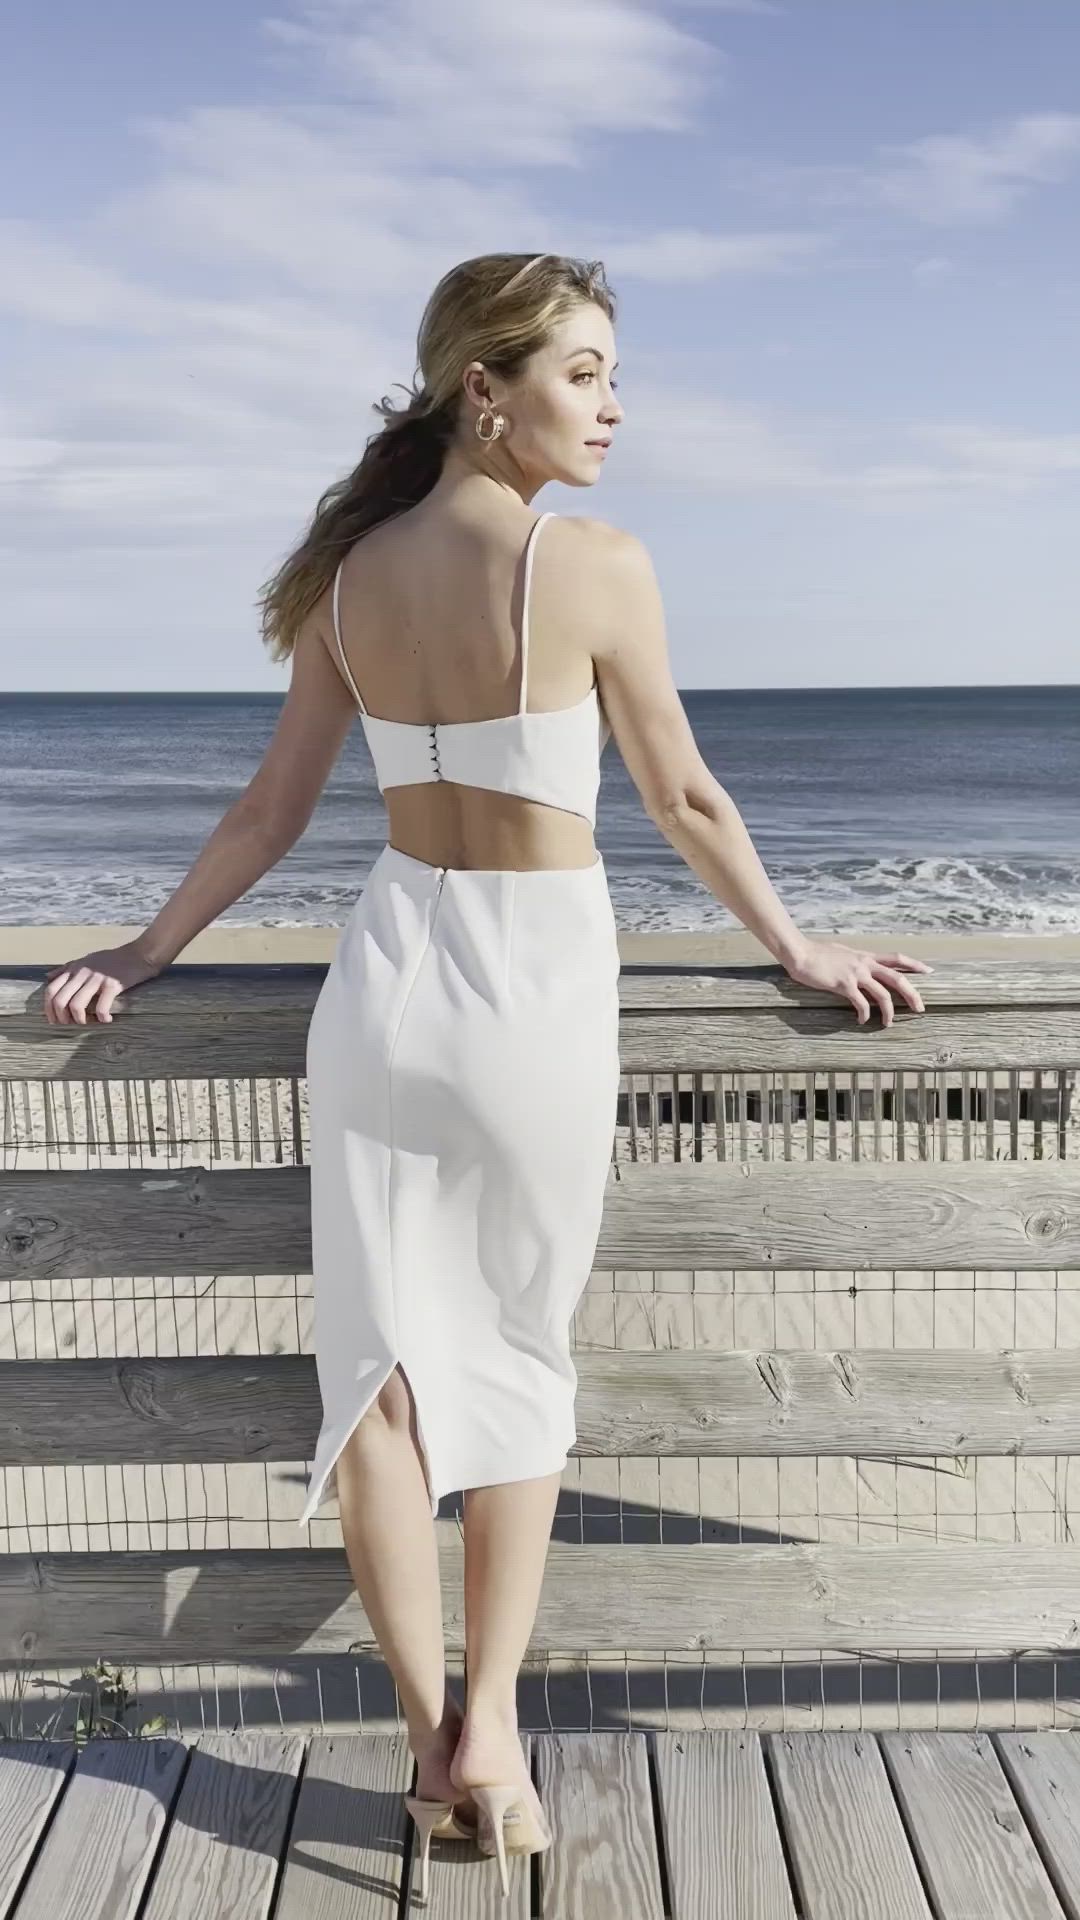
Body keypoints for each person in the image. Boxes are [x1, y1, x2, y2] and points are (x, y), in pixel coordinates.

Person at [42, 251, 931, 1897]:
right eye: (586, 373)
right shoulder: (587, 562)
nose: (613, 405)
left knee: (379, 1366)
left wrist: (150, 949)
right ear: (488, 389)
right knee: (514, 1349)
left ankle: (422, 1723)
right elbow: (688, 803)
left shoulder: (346, 573)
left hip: (387, 974)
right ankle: (495, 1735)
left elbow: (267, 814)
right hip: (531, 983)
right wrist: (802, 949)